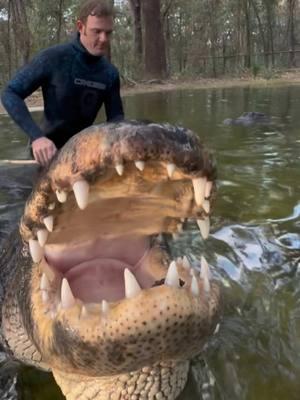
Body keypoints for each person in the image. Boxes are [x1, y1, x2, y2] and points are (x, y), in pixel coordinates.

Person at [1, 0, 124, 167]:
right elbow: (10, 93)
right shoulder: (53, 58)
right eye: (97, 31)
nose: (103, 39)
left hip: (82, 156)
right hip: (45, 155)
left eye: (108, 33)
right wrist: (37, 138)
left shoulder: (110, 73)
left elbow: (116, 120)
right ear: (81, 27)